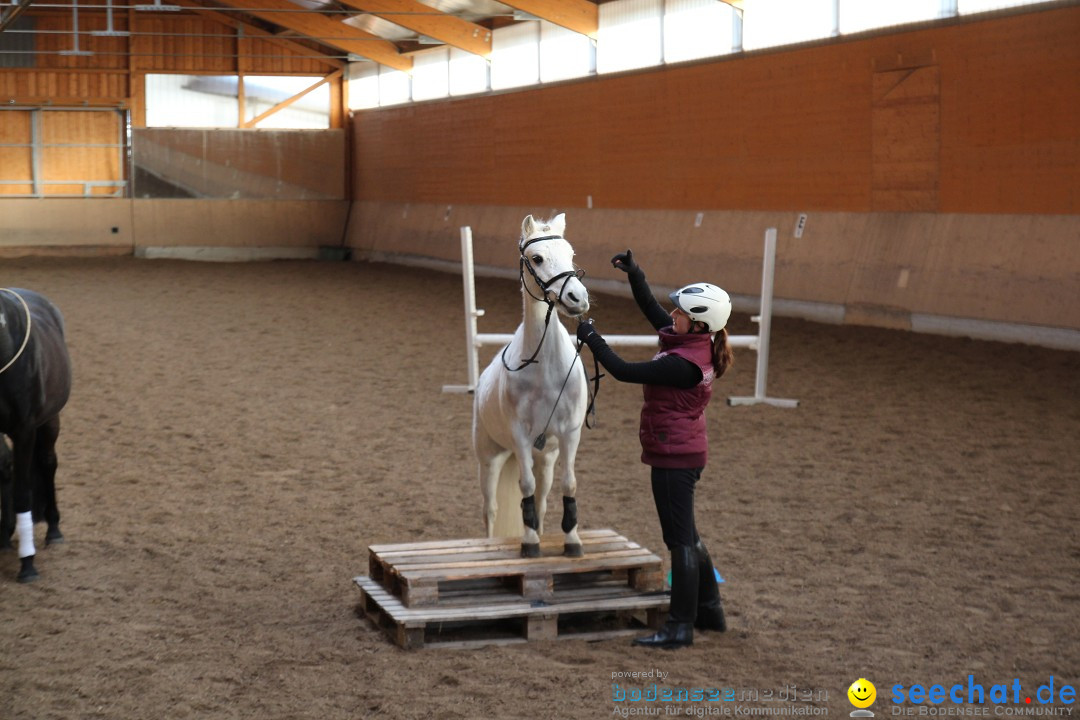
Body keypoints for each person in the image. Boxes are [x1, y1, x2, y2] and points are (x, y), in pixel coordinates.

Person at [576, 249, 731, 649]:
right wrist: (636, 274)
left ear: (697, 322)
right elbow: (650, 308)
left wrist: (592, 337)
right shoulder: (694, 342)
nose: (671, 314)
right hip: (684, 451)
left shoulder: (682, 364)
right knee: (689, 535)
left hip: (673, 458)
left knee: (678, 541)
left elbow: (625, 371)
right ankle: (710, 610)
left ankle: (680, 626)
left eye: (679, 312)